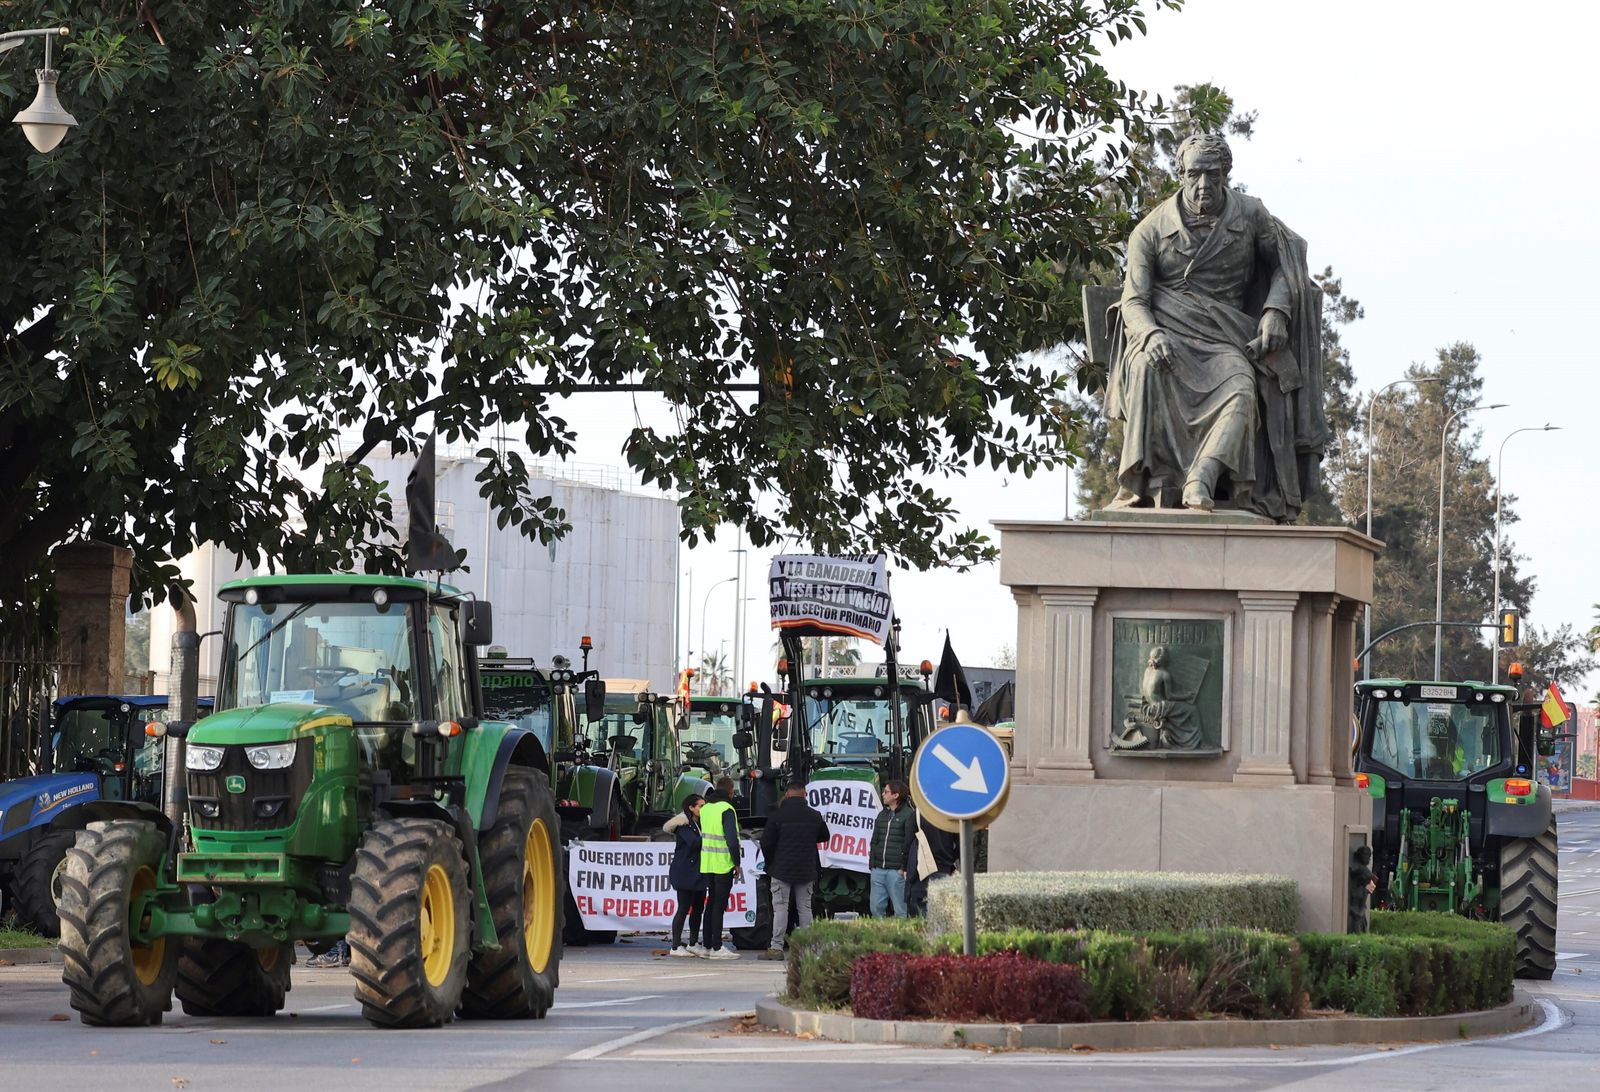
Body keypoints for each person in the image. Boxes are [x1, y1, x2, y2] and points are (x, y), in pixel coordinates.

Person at [1106, 132, 1325, 520]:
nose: (1203, 184)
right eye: (1194, 174)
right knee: (1141, 368)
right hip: (1167, 335)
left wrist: (1276, 309)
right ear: (1181, 175)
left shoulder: (1251, 214)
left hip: (1226, 338)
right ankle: (1144, 482)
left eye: (1212, 174)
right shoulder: (1151, 230)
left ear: (1226, 174)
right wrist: (1151, 334)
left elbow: (1284, 267)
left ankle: (1202, 477)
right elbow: (1134, 301)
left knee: (1241, 388)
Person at [758, 778, 830, 960]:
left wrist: (771, 861)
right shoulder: (814, 815)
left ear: (788, 793)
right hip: (806, 868)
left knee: (781, 908)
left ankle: (776, 948)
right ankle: (809, 948)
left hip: (781, 869)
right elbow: (824, 835)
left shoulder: (777, 815)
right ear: (805, 793)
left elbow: (766, 842)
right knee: (805, 909)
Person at [698, 776, 743, 959]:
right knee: (719, 905)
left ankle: (707, 945)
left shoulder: (706, 808)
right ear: (731, 791)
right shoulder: (727, 809)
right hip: (723, 864)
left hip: (707, 862)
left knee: (710, 905)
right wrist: (737, 862)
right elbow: (731, 840)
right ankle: (717, 947)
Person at [664, 794, 709, 957]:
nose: (704, 809)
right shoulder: (683, 825)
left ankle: (693, 942)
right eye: (701, 806)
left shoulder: (702, 823)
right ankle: (675, 946)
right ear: (691, 808)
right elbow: (695, 843)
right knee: (683, 907)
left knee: (698, 908)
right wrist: (711, 835)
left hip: (700, 871)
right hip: (684, 871)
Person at [868, 780, 916, 917]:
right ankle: (880, 937)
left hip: (896, 871)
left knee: (901, 910)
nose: (883, 794)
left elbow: (909, 843)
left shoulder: (909, 815)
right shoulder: (881, 815)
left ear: (896, 795)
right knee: (875, 909)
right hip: (878, 869)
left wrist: (903, 867)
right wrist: (872, 865)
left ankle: (899, 937)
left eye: (886, 792)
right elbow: (874, 840)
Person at [905, 816, 959, 917]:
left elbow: (909, 843)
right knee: (941, 910)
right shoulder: (949, 815)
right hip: (944, 867)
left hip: (921, 869)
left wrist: (905, 866)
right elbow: (961, 844)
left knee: (920, 909)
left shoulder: (918, 814)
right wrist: (950, 860)